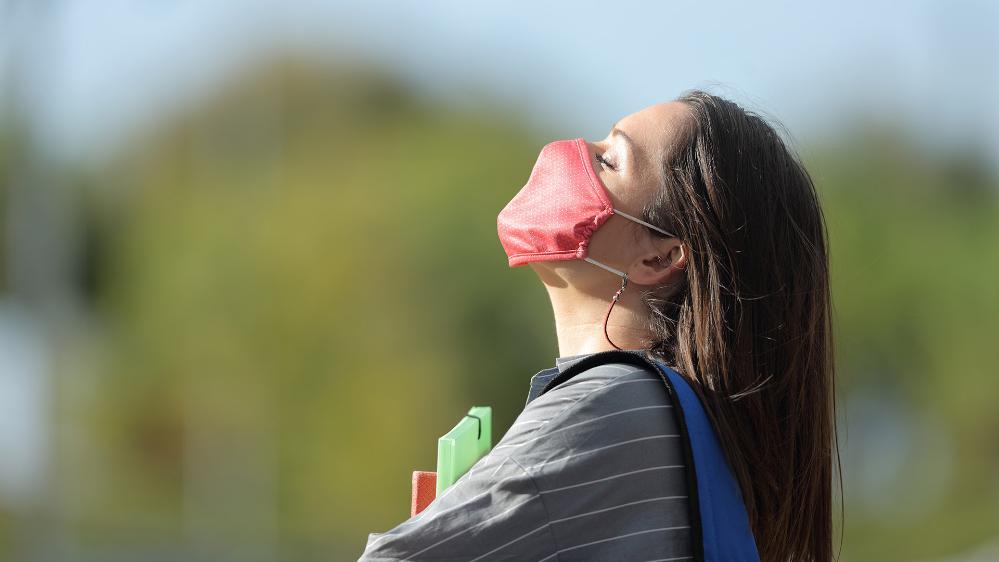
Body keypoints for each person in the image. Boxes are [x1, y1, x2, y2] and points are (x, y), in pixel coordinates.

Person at [358, 90, 836, 561]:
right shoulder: (673, 424)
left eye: (610, 160)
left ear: (658, 255)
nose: (577, 149)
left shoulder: (610, 406)